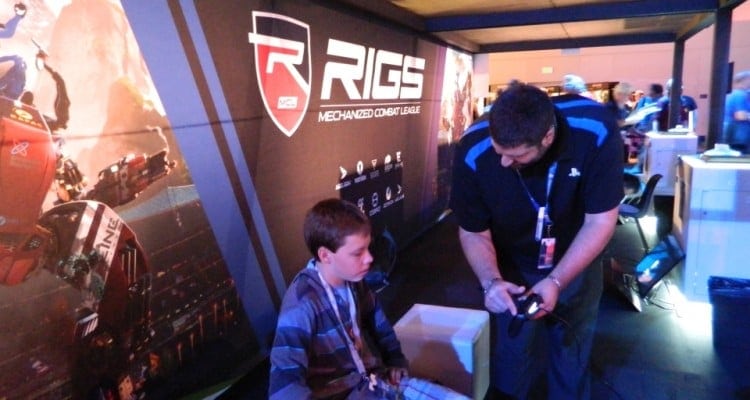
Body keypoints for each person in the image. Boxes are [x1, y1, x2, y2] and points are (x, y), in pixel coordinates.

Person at [450, 84, 623, 399]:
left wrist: (557, 281)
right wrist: (491, 282)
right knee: (512, 355)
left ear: (547, 137)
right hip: (511, 265)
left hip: (576, 255)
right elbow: (473, 230)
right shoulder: (474, 148)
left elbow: (600, 220)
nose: (504, 162)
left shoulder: (596, 129)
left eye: (516, 156)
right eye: (499, 151)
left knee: (571, 351)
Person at [269, 198, 469, 400]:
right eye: (358, 253)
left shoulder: (354, 281)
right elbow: (283, 385)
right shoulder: (302, 305)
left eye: (367, 248)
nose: (369, 258)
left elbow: (378, 323)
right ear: (325, 255)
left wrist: (395, 360)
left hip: (371, 381)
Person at [723, 70, 750, 152]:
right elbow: (740, 116)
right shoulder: (740, 95)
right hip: (739, 136)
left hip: (732, 135)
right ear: (743, 80)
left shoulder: (731, 95)